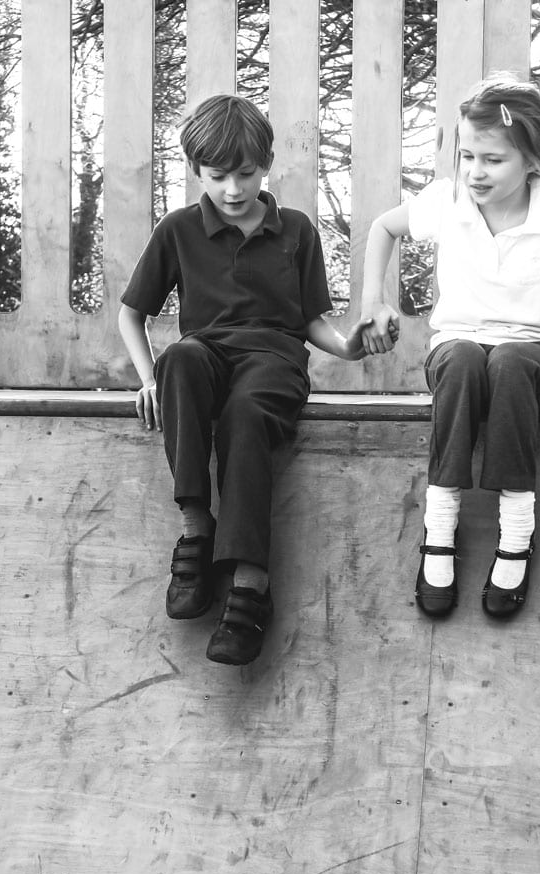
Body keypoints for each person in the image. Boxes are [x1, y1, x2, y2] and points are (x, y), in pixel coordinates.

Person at [118, 94, 393, 666]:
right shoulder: (178, 230)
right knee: (180, 360)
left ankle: (249, 586)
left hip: (274, 361)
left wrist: (350, 346)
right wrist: (148, 379)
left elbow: (312, 322)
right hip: (209, 355)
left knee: (245, 416)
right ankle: (196, 530)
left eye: (246, 173)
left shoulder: (295, 231)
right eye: (219, 176)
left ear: (266, 164)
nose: (234, 188)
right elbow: (131, 314)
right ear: (197, 170)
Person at [358, 72, 540, 620]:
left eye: (493, 159)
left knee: (509, 362)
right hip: (460, 351)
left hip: (533, 358)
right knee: (461, 357)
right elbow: (382, 229)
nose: (475, 172)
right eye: (467, 156)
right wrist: (374, 300)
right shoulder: (448, 200)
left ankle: (516, 536)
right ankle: (439, 533)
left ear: (532, 160)